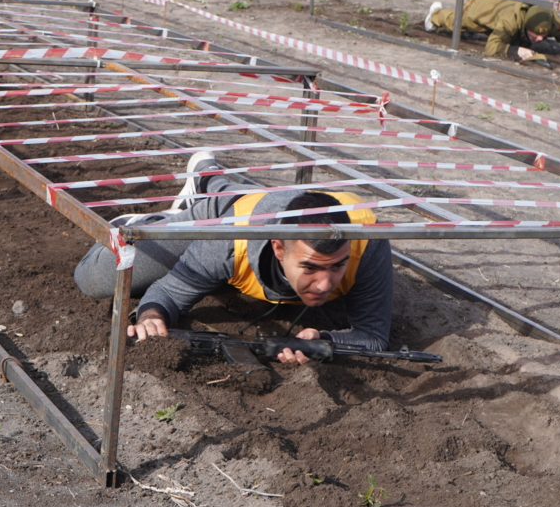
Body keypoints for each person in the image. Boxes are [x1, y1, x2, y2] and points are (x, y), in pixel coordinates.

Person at [73, 152, 394, 364]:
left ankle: (210, 177)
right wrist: (152, 316)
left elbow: (374, 337)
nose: (324, 284)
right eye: (310, 267)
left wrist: (325, 339)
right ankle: (157, 217)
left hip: (268, 205)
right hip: (224, 215)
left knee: (242, 199)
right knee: (96, 279)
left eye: (337, 266)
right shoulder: (228, 240)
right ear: (279, 248)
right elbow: (168, 292)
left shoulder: (368, 242)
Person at [423, 0, 560, 67]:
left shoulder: (551, 20)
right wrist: (515, 50)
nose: (540, 38)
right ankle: (435, 14)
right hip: (485, 6)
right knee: (459, 23)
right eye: (535, 34)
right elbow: (491, 48)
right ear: (525, 26)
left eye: (543, 35)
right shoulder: (509, 20)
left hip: (508, 4)